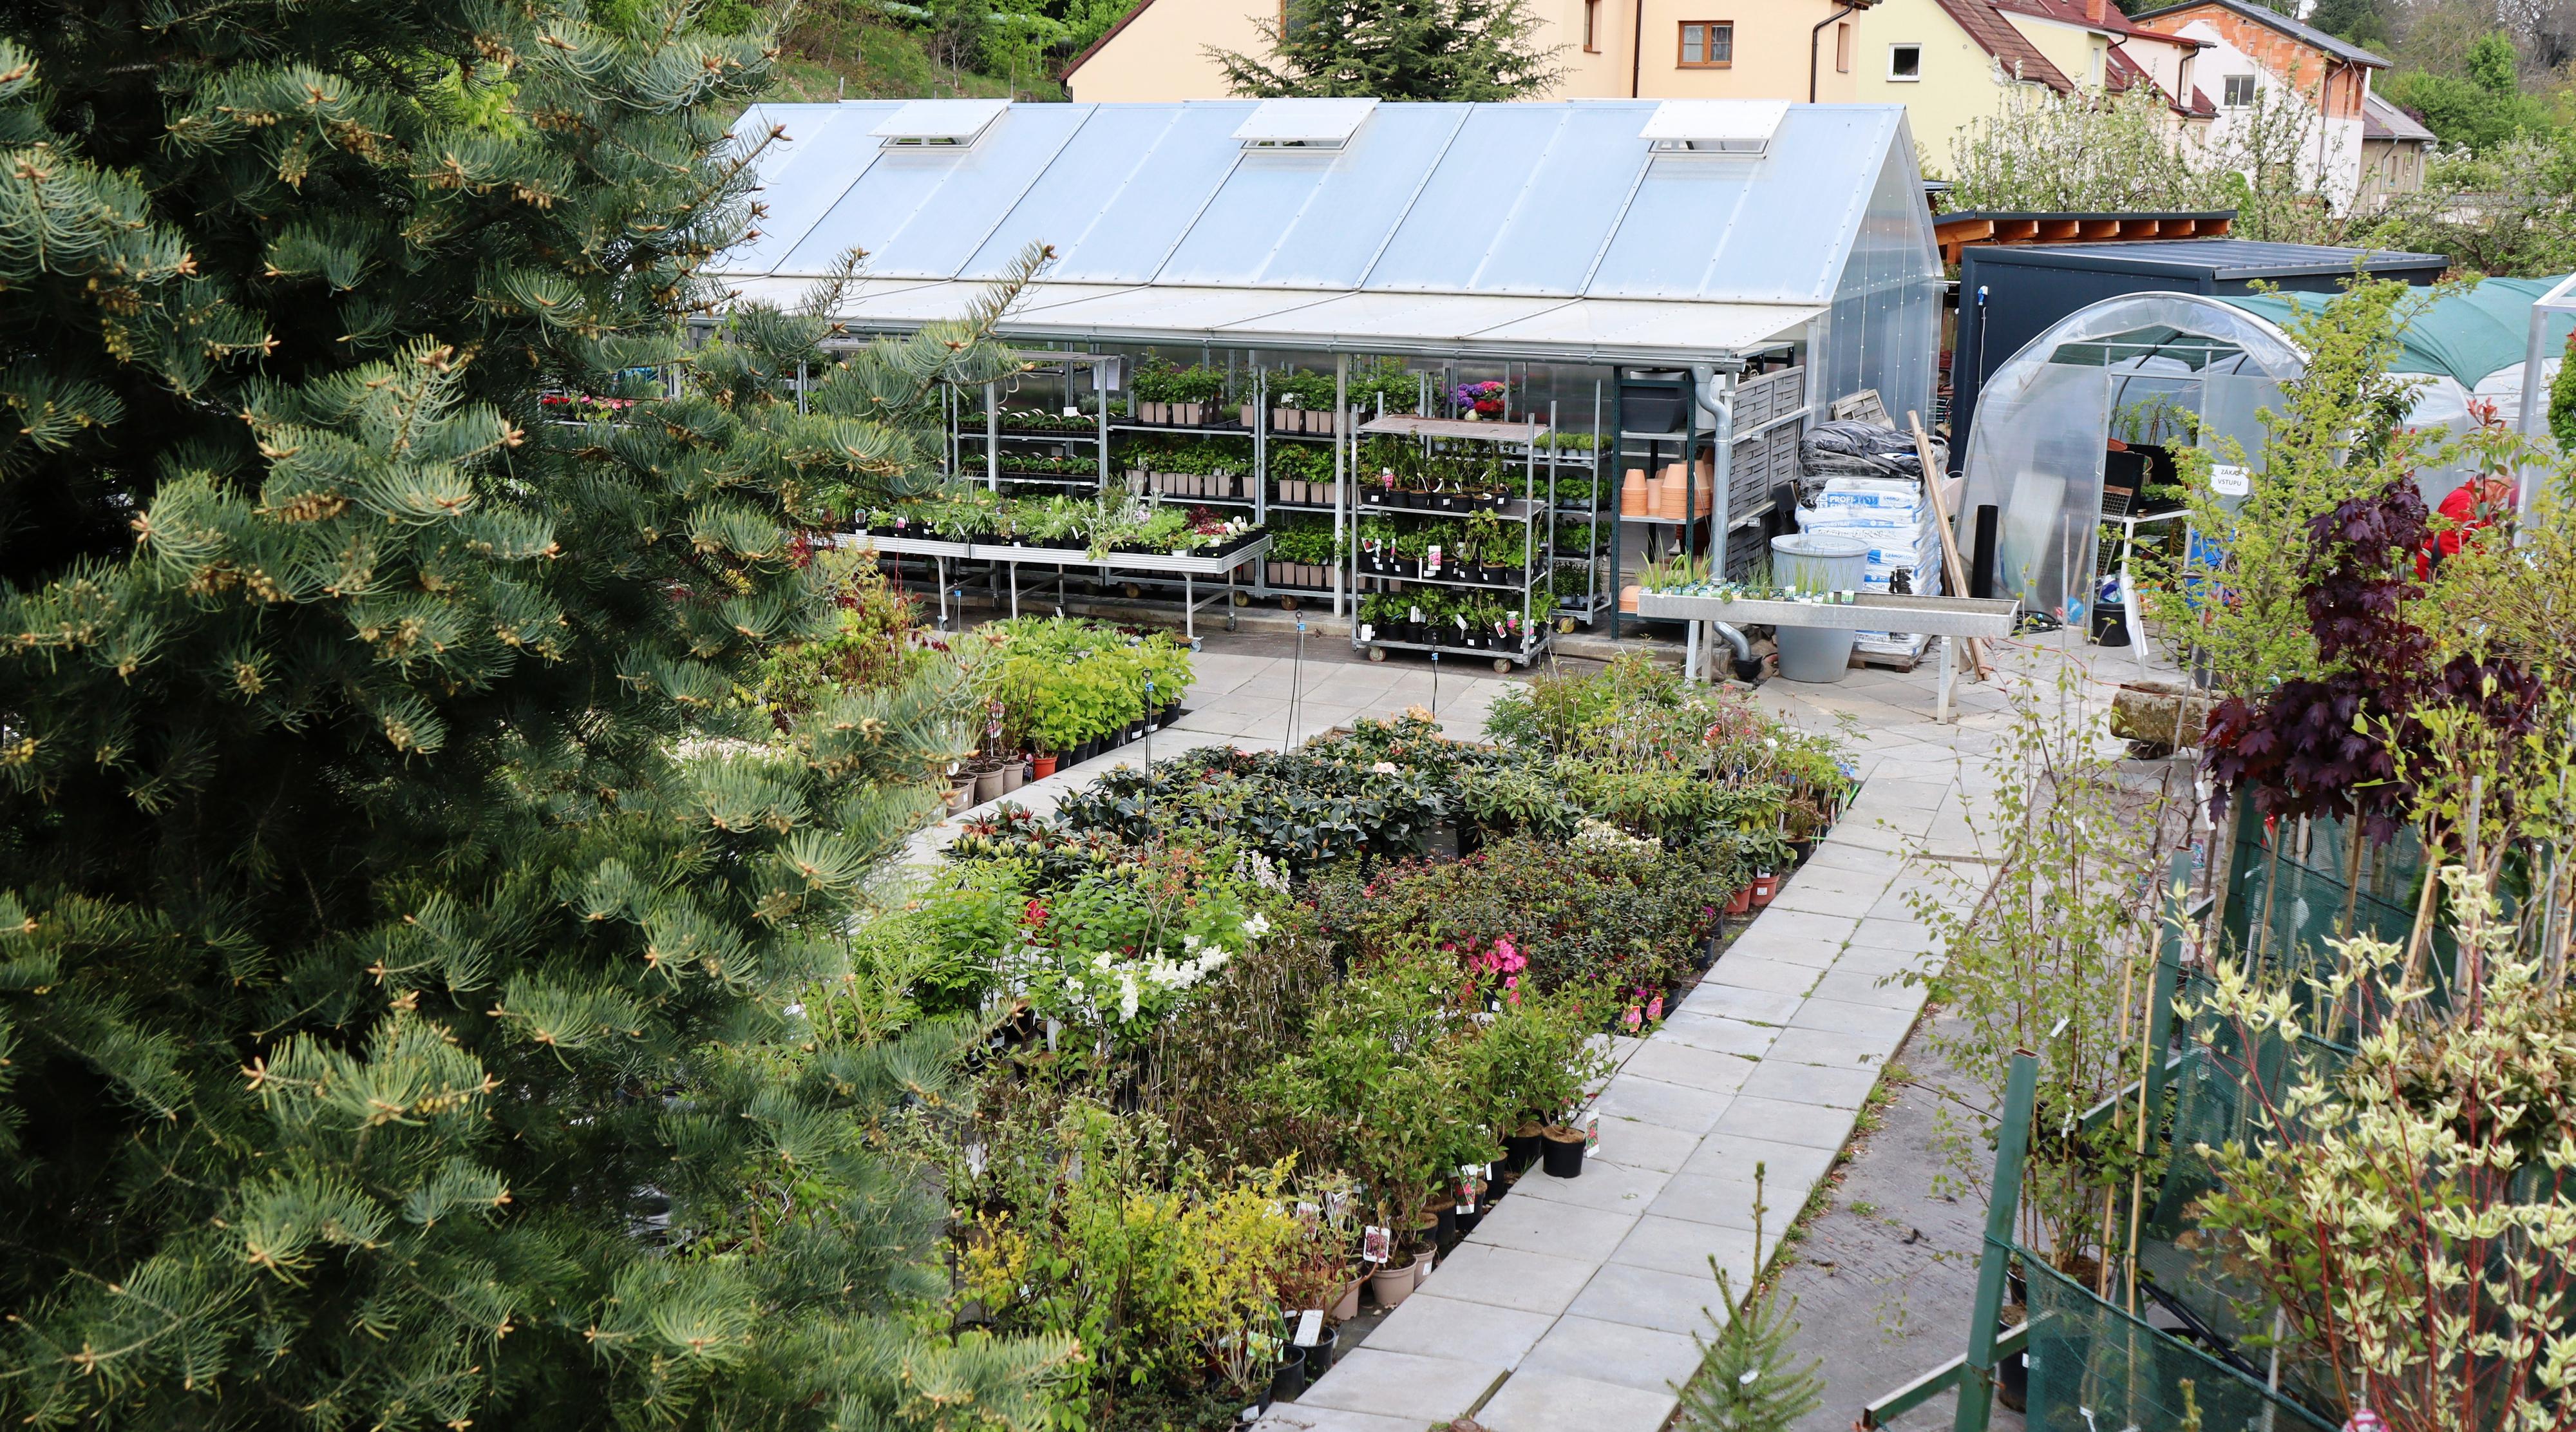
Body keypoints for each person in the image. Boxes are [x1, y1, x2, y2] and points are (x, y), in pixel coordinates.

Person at [2418, 471, 2515, 579]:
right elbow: (2448, 544)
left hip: (2448, 574)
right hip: (2439, 576)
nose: (2506, 495)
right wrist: (2469, 577)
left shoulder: (2479, 505)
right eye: (2504, 489)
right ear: (2488, 483)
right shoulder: (2465, 501)